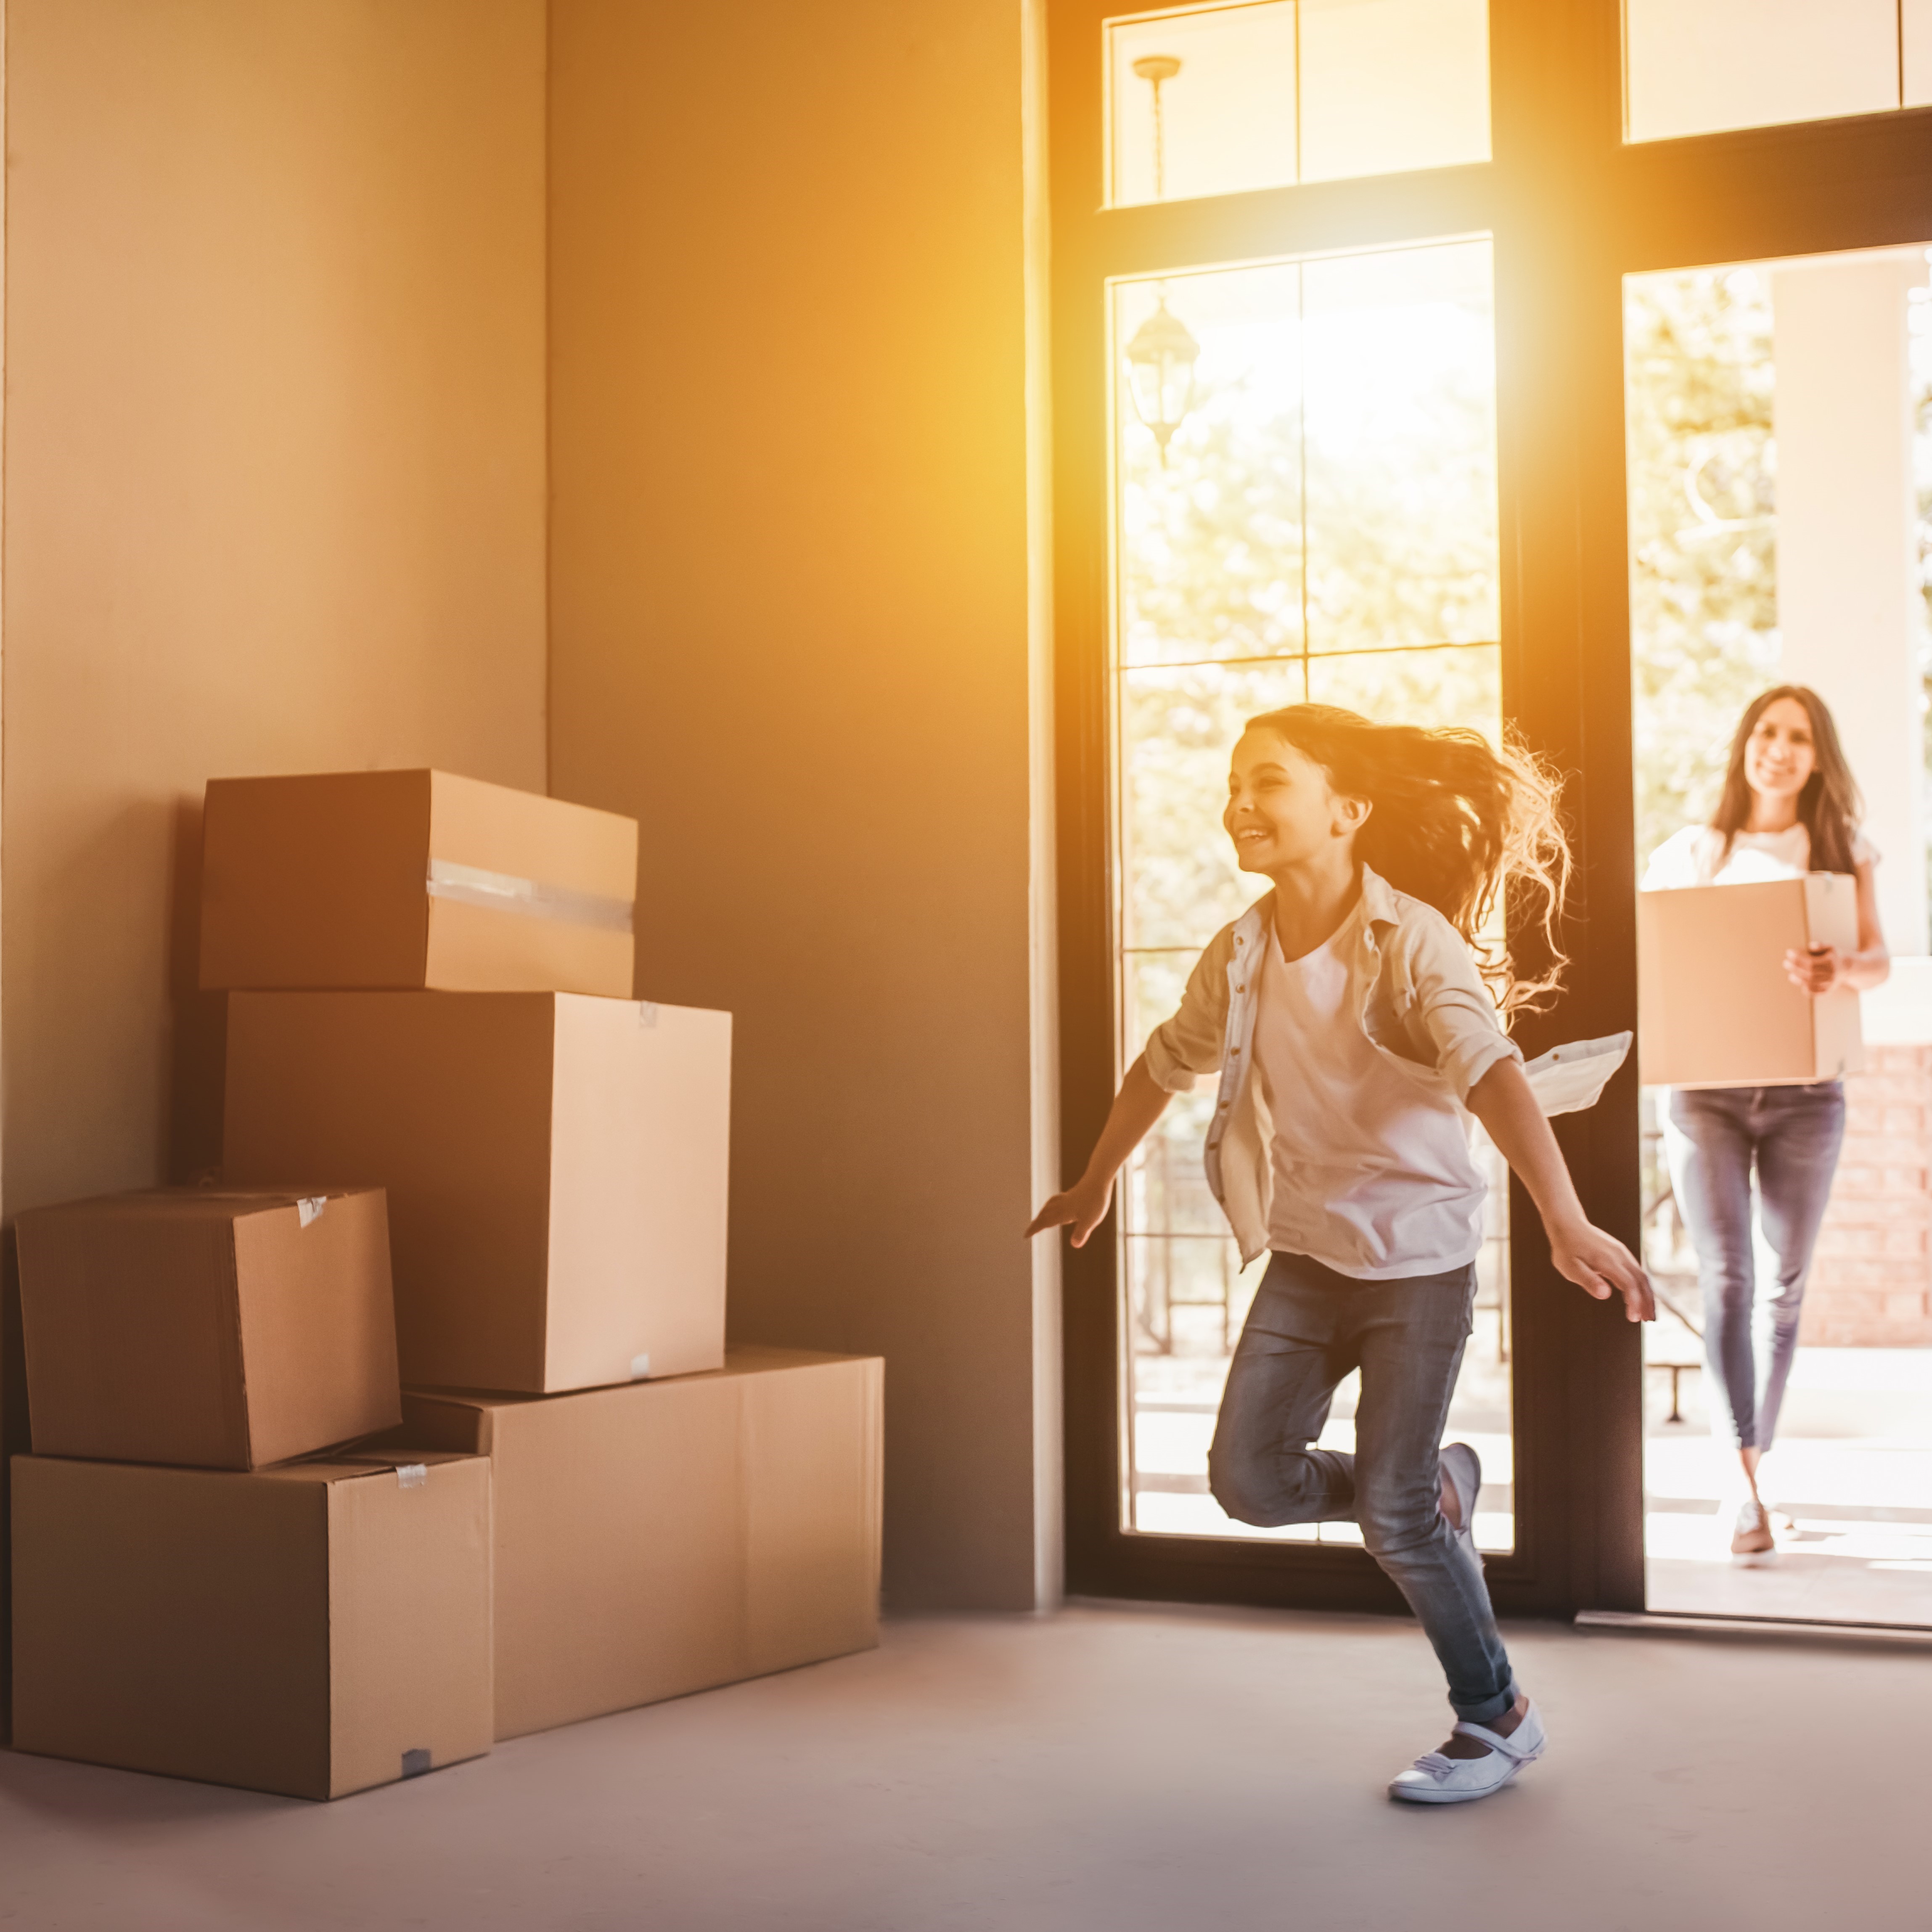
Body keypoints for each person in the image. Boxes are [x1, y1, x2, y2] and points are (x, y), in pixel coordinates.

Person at [1029, 703, 1652, 1806]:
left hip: (1419, 1262)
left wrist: (1561, 1216)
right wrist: (1094, 1180)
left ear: (1346, 810)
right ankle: (1425, 1489)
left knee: (1392, 1521)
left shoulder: (1411, 939)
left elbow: (1493, 1071)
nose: (1241, 802)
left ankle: (1495, 1714)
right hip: (1310, 1257)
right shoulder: (1240, 951)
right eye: (1234, 782)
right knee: (1246, 1480)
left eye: (1268, 780)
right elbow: (1160, 1064)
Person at [1643, 685, 1890, 1564]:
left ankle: (1751, 1470)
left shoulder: (1838, 849)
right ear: (1743, 745)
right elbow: (1654, 955)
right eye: (1764, 731)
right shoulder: (1690, 851)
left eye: (1795, 737)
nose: (1776, 748)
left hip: (1803, 1095)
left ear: (1815, 756)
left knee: (1781, 1289)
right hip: (1703, 1095)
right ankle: (1740, 1484)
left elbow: (1877, 959)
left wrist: (1838, 968)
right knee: (1727, 1280)